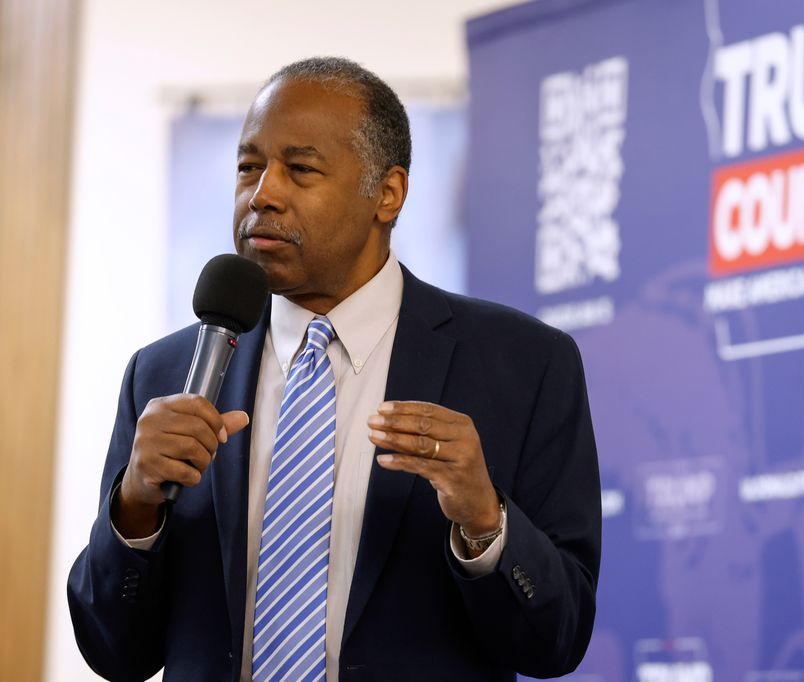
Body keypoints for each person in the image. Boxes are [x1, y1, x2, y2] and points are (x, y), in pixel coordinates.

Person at [68, 57, 601, 681]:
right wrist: (135, 508)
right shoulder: (164, 372)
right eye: (248, 166)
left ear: (388, 193)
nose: (262, 193)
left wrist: (485, 522)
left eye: (300, 170)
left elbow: (556, 642)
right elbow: (114, 652)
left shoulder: (524, 364)